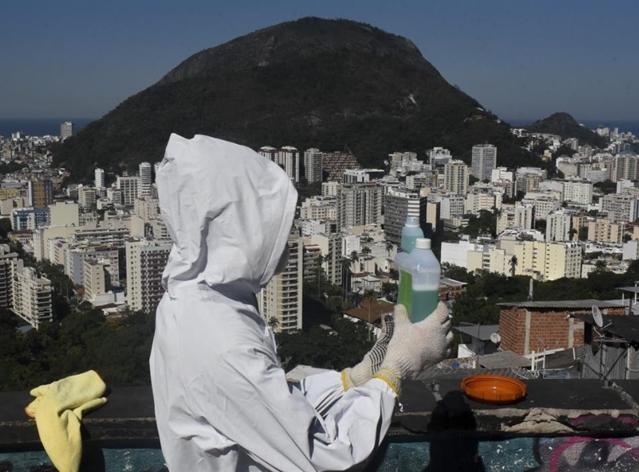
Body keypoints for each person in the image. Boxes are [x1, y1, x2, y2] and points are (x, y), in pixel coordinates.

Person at [150, 134, 453, 471]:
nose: (286, 236)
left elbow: (270, 403)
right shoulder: (220, 340)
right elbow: (328, 454)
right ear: (241, 227)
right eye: (273, 225)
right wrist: (397, 368)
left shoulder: (198, 299)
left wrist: (352, 379)